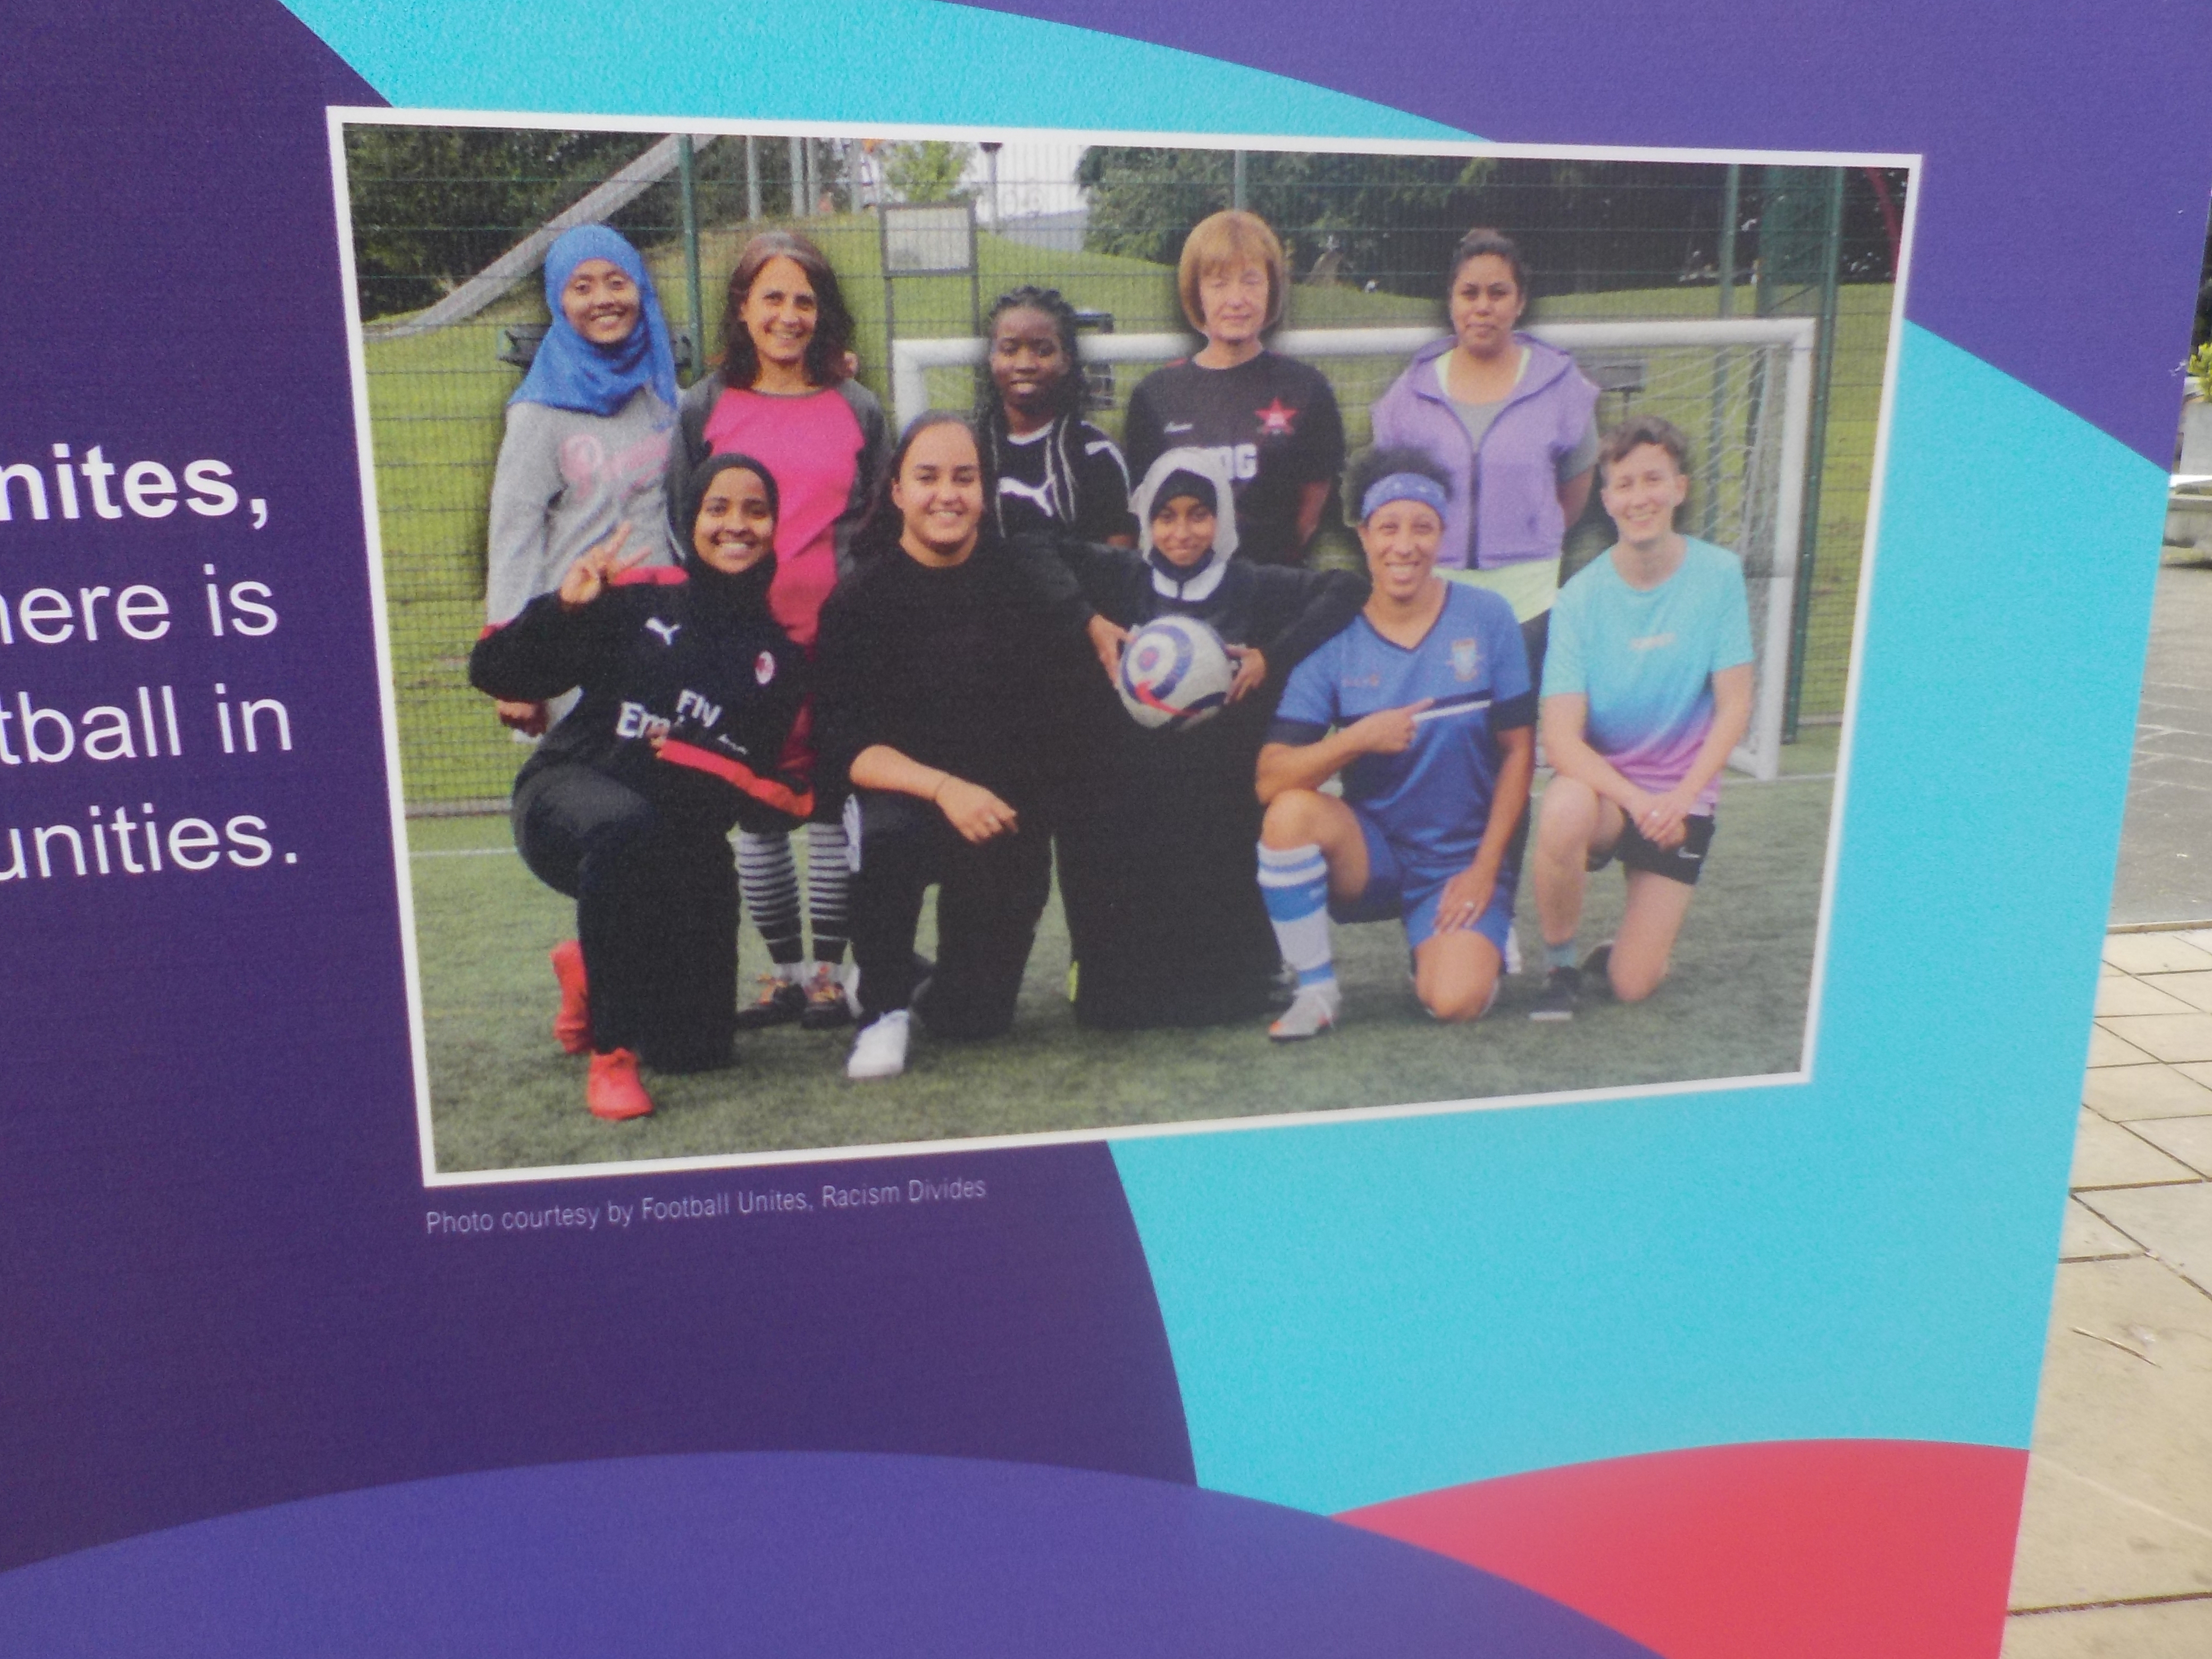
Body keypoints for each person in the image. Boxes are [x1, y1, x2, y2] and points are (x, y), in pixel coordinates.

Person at [470, 454, 809, 1121]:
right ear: (692, 519)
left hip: (680, 841)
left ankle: (593, 971)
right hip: (571, 796)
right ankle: (612, 1056)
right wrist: (564, 609)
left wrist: (697, 757)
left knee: (698, 1051)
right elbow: (496, 672)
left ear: (775, 527)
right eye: (718, 508)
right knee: (628, 830)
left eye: (754, 510)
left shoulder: (778, 660)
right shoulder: (643, 595)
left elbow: (755, 796)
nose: (735, 525)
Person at [1038, 448, 1368, 1028]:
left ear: (1220, 518)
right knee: (1115, 1010)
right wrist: (1086, 620)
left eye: (1198, 514)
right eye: (1165, 516)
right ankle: (1096, 962)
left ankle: (1251, 961)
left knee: (1225, 1001)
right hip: (1138, 790)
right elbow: (1029, 546)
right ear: (1146, 521)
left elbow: (1345, 588)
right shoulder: (1124, 575)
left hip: (1221, 795)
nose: (1182, 531)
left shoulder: (1251, 583)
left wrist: (1272, 654)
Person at [814, 413, 1092, 1081]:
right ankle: (882, 1008)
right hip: (906, 805)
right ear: (899, 491)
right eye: (928, 477)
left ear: (984, 489)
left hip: (995, 812)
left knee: (976, 1022)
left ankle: (910, 975)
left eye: (964, 478)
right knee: (885, 835)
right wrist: (943, 788)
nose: (947, 494)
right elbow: (845, 747)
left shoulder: (1022, 583)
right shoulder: (860, 601)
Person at [668, 231, 891, 1032]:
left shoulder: (859, 407)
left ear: (822, 312)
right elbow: (681, 521)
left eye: (805, 300)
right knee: (758, 805)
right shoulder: (705, 406)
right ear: (743, 307)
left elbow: (878, 525)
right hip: (742, 646)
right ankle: (783, 972)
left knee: (831, 805)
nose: (789, 316)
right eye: (773, 298)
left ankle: (829, 973)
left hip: (835, 647)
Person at [1254, 447, 1536, 1040]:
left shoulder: (1487, 619)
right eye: (1387, 527)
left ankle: (1466, 938)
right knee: (1289, 814)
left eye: (1422, 528)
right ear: (1362, 534)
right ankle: (1316, 989)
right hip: (1374, 854)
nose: (1403, 546)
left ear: (1442, 533)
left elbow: (1518, 752)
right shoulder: (1333, 639)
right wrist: (1356, 738)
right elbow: (1270, 779)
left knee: (1453, 1002)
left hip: (1459, 862)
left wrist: (1485, 871)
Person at [1528, 415, 1754, 1020]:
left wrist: (1678, 799)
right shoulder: (1579, 597)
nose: (1640, 497)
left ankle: (1625, 952)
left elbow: (1735, 705)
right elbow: (1559, 739)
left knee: (1632, 985)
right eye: (1624, 486)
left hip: (1680, 801)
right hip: (1608, 795)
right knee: (1562, 806)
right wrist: (1634, 799)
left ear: (1678, 487)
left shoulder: (1719, 576)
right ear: (1606, 502)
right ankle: (1560, 965)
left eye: (1652, 480)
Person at [1369, 228, 1599, 682]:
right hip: (1436, 593)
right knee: (1440, 731)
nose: (1483, 306)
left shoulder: (1560, 384)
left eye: (1498, 293)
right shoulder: (1411, 390)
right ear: (1451, 301)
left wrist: (1529, 530)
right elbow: (1387, 499)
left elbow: (1574, 491)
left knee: (1513, 734)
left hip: (1530, 597)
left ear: (1520, 301)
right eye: (1469, 293)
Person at [484, 223, 681, 737]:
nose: (604, 300)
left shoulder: (662, 393)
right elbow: (514, 537)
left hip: (662, 632)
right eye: (583, 286)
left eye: (618, 282)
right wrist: (517, 673)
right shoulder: (538, 412)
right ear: (558, 300)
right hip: (578, 636)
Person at [1122, 211, 1346, 567]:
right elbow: (1144, 513)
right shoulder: (1155, 396)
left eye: (1251, 280)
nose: (1237, 299)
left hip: (1274, 591)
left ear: (1272, 287)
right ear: (1195, 292)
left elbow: (1310, 512)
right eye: (1219, 283)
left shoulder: (1306, 388)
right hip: (1185, 595)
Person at [977, 285, 1137, 547]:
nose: (1025, 364)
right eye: (1010, 349)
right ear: (992, 359)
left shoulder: (1096, 453)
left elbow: (1118, 568)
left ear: (1066, 360)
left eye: (1043, 351)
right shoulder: (971, 451)